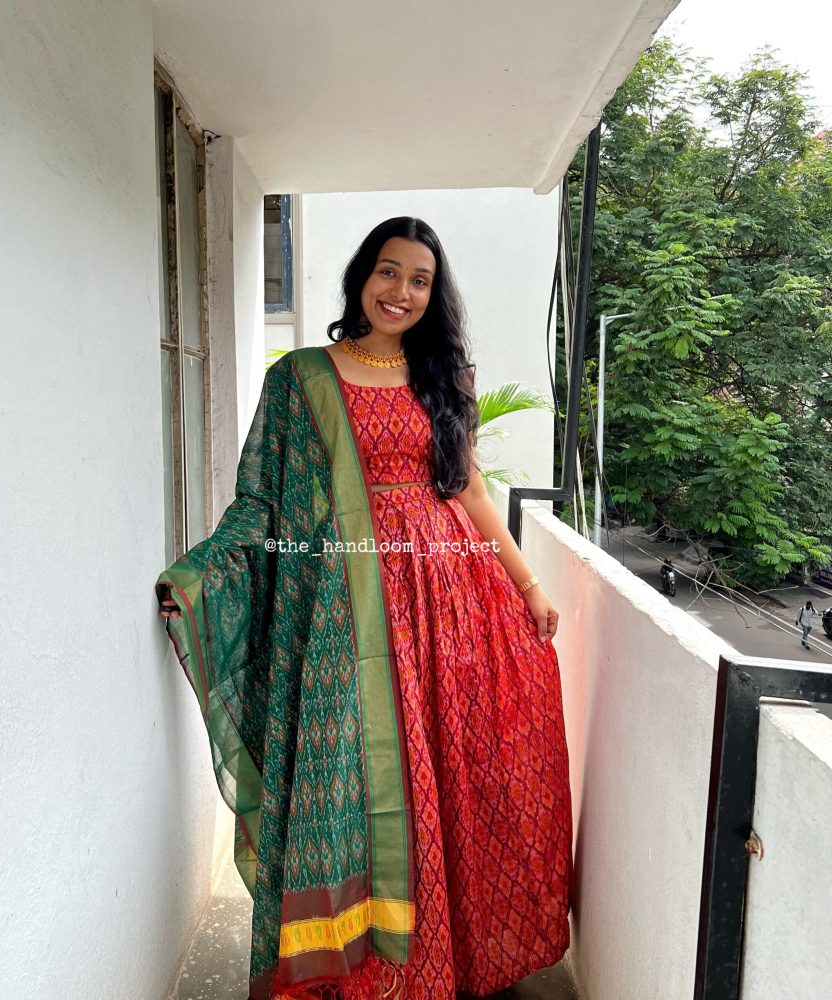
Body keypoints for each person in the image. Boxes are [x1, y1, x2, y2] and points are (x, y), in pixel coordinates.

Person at [156, 217, 572, 999]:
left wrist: (527, 584)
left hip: (448, 600)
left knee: (447, 768)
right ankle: (356, 964)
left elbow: (469, 490)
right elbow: (258, 503)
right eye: (389, 272)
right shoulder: (302, 378)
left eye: (419, 280)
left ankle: (444, 962)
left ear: (432, 294)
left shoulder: (443, 377)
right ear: (360, 277)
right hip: (342, 609)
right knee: (351, 773)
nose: (402, 292)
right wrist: (203, 576)